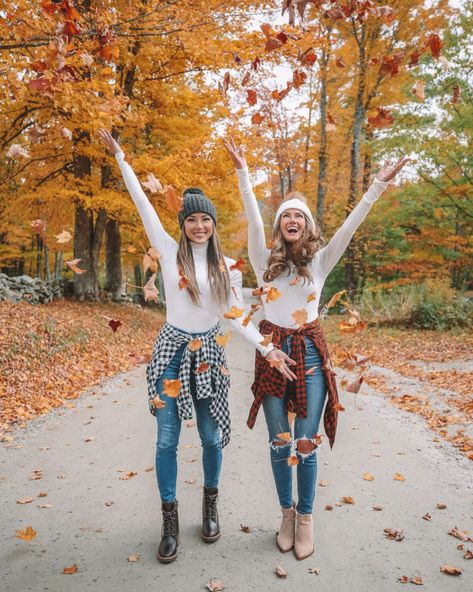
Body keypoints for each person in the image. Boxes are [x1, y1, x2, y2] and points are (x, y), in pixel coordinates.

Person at [97, 129, 294, 564]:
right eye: (191, 219)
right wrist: (121, 159)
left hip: (209, 355)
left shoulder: (228, 268)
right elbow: (143, 205)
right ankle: (169, 519)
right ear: (183, 224)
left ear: (213, 224)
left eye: (205, 219)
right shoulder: (169, 253)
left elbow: (238, 316)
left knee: (209, 437)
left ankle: (209, 504)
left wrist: (267, 347)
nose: (199, 225)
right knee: (167, 440)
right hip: (170, 350)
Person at [224, 137, 408, 560]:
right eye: (285, 215)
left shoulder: (321, 261)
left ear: (306, 226)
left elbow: (350, 227)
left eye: (298, 216)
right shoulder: (263, 260)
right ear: (279, 226)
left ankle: (305, 517)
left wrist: (376, 187)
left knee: (305, 443)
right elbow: (253, 222)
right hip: (271, 350)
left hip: (308, 352)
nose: (291, 219)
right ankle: (285, 513)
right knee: (279, 441)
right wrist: (243, 174)